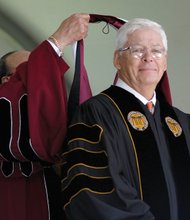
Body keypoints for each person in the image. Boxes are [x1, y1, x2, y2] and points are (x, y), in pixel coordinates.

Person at [61, 18, 190, 220]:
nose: (149, 57)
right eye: (137, 50)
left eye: (157, 51)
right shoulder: (95, 114)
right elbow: (92, 191)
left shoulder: (181, 121)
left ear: (165, 62)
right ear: (117, 59)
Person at [0, 13, 90, 220]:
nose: (39, 78)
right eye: (27, 72)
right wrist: (58, 41)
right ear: (6, 81)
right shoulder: (5, 101)